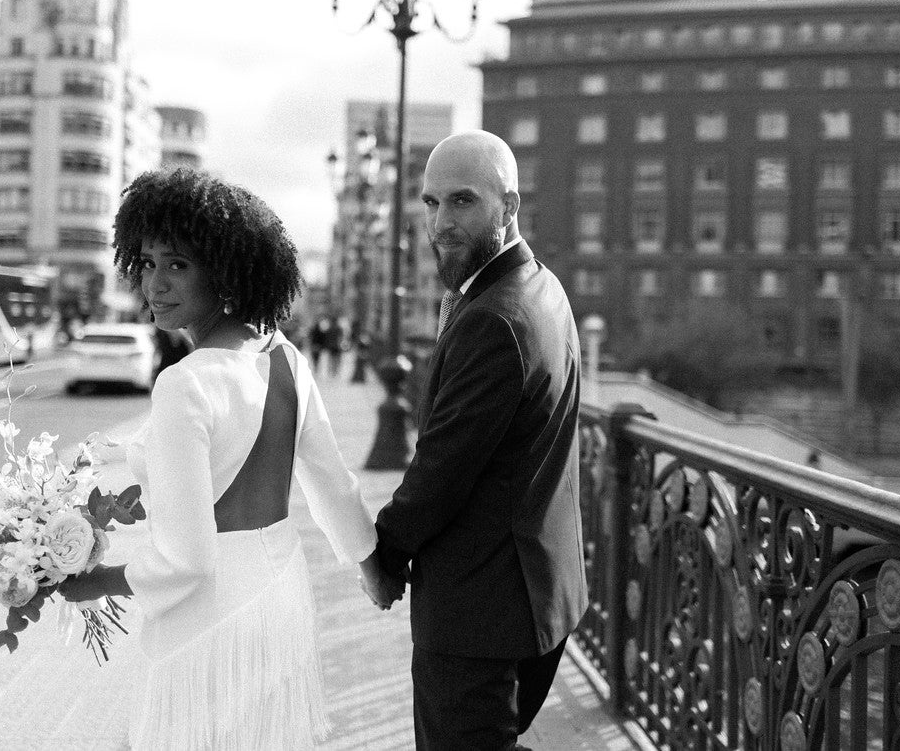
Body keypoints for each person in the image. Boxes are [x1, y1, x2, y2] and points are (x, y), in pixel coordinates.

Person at [58, 167, 391, 749]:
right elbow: (333, 487)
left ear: (226, 269)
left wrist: (88, 582)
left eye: (178, 264)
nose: (154, 284)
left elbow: (187, 563)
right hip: (280, 600)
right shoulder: (285, 357)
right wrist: (374, 570)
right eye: (146, 263)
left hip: (206, 623)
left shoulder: (184, 384)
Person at [372, 130, 588, 750]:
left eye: (463, 201)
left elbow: (440, 473)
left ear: (510, 207)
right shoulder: (540, 286)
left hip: (479, 613)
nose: (441, 221)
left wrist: (381, 556)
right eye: (431, 202)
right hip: (532, 594)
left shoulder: (494, 318)